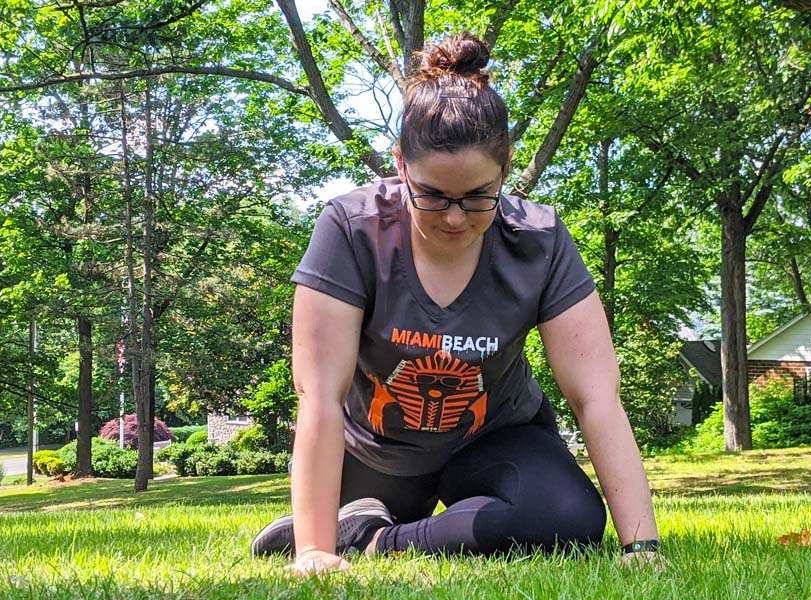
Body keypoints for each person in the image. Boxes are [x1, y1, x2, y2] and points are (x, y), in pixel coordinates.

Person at [251, 31, 660, 576]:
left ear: (507, 167)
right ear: (400, 165)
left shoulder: (539, 240)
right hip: (376, 454)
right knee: (332, 517)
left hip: (494, 438)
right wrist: (314, 552)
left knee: (568, 518)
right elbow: (319, 394)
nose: (453, 217)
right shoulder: (351, 230)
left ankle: (374, 540)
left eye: (477, 196)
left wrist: (641, 548)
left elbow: (596, 398)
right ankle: (338, 524)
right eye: (433, 195)